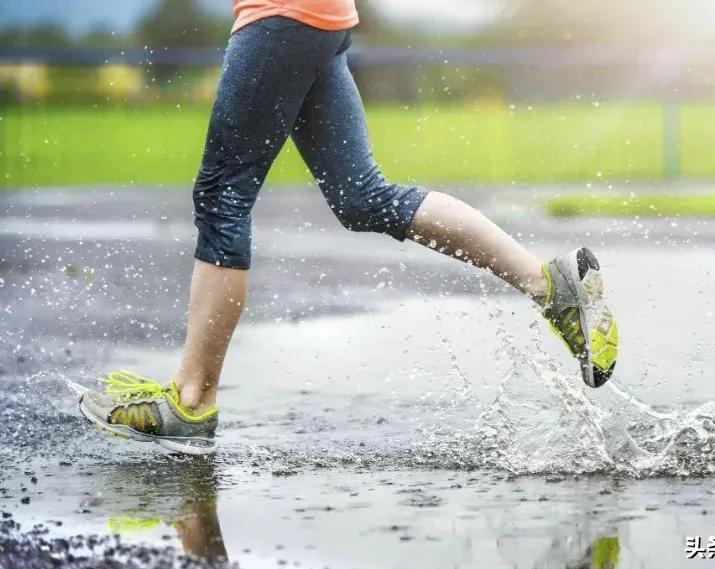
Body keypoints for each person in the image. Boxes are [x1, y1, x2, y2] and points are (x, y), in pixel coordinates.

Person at [76, 0, 619, 455]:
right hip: (317, 18)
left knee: (223, 195)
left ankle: (191, 400)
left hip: (282, 15)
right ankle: (550, 285)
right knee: (362, 197)